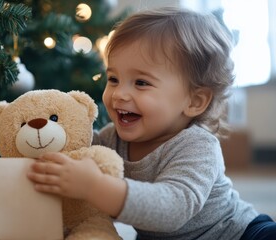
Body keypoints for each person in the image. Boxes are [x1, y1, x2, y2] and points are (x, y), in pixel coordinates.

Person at [27, 7, 276, 240]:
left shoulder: (198, 145)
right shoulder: (110, 138)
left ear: (195, 101)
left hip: (238, 233)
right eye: (113, 79)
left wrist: (95, 186)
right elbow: (76, 146)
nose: (118, 94)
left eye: (141, 83)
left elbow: (172, 209)